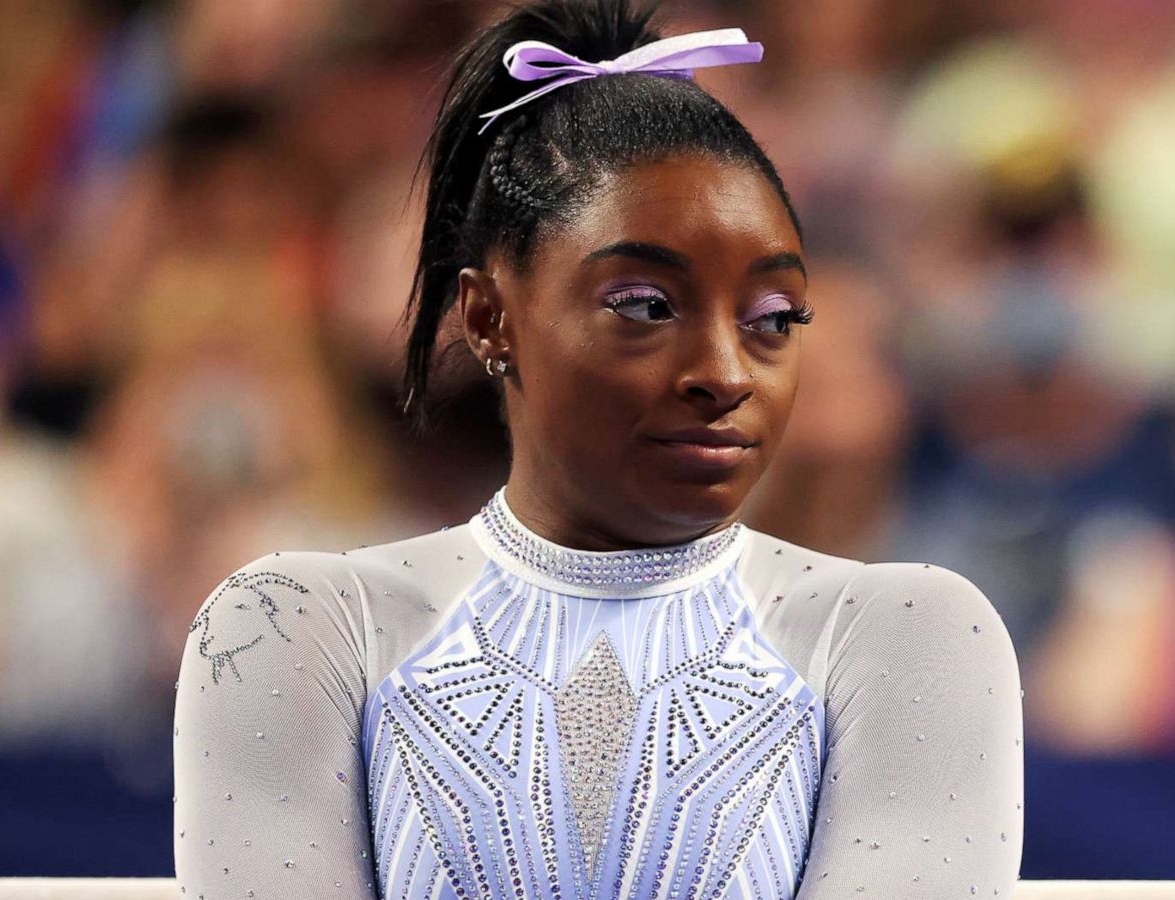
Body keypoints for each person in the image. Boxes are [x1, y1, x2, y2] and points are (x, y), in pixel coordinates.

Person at [172, 1, 1024, 897]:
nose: (726, 374)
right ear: (487, 316)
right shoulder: (296, 628)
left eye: (774, 318)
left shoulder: (904, 637)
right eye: (647, 306)